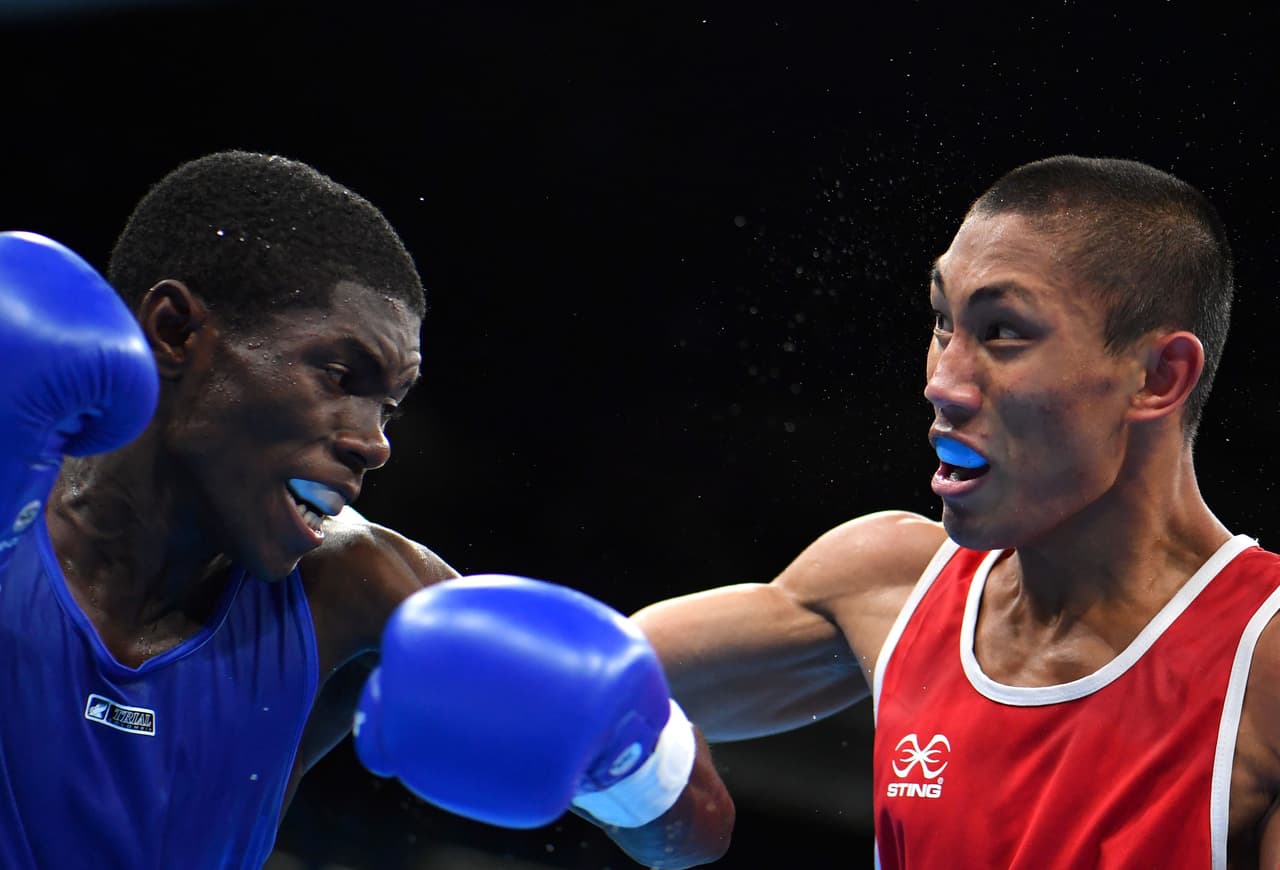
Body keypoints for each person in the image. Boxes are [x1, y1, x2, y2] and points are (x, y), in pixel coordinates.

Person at [0, 151, 733, 869]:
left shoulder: (355, 585)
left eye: (389, 407)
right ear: (176, 332)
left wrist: (623, 758)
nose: (375, 444)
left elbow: (695, 831)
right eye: (340, 375)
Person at [630, 155, 1280, 868]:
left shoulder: (1264, 661)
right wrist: (640, 797)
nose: (944, 383)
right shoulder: (885, 587)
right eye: (944, 322)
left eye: (1003, 332)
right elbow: (585, 691)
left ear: (1158, 377)